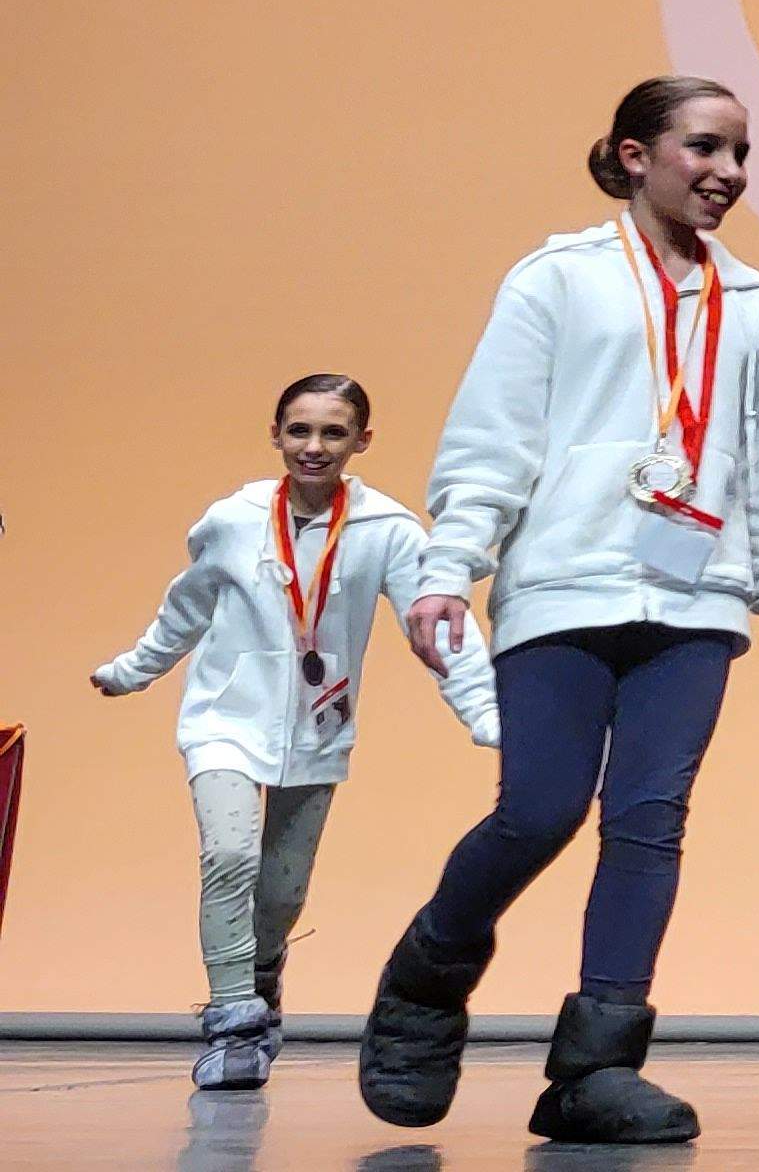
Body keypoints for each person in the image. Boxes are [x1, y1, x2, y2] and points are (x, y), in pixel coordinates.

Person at [357, 76, 759, 1146]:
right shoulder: (557, 279)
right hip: (566, 584)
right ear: (631, 155)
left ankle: (596, 1069)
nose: (729, 174)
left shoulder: (755, 306)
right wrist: (449, 565)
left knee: (648, 823)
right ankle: (432, 969)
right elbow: (495, 438)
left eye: (742, 154)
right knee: (540, 810)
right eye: (705, 148)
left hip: (698, 595)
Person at [90, 375, 500, 1090]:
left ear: (361, 441)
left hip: (318, 727)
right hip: (223, 718)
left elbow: (437, 626)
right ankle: (232, 1021)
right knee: (229, 856)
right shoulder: (234, 519)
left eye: (333, 433)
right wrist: (135, 668)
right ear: (275, 434)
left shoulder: (390, 532)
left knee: (280, 892)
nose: (314, 447)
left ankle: (263, 976)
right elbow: (187, 606)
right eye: (299, 431)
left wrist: (485, 710)